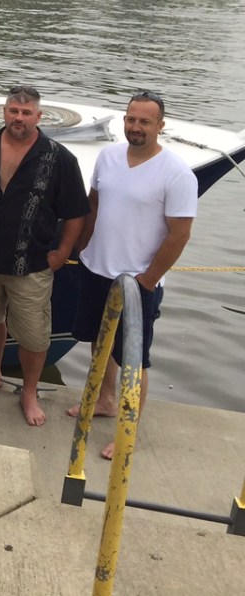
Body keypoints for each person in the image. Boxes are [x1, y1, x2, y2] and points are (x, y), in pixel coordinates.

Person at [67, 91, 196, 458]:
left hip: (138, 280)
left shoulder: (176, 174)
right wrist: (81, 248)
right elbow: (93, 205)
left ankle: (129, 429)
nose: (135, 127)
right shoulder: (107, 157)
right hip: (96, 268)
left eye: (144, 121)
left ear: (160, 125)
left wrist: (148, 279)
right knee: (98, 343)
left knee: (133, 358)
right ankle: (106, 400)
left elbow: (180, 234)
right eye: (130, 119)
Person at [0, 85, 89, 427]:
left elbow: (76, 213)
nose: (18, 118)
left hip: (30, 262)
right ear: (4, 112)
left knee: (32, 334)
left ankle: (29, 391)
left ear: (38, 116)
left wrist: (63, 252)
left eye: (26, 112)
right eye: (13, 111)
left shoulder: (59, 158)